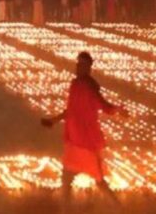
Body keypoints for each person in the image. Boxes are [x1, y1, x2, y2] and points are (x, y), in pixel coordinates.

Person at [41, 52, 128, 210]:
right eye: (77, 64)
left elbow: (104, 106)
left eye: (81, 65)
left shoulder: (89, 87)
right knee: (66, 181)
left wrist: (118, 110)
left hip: (87, 144)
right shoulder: (75, 84)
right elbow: (71, 110)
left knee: (99, 181)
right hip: (74, 142)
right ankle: (66, 211)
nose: (78, 67)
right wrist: (54, 120)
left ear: (88, 68)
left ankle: (120, 209)